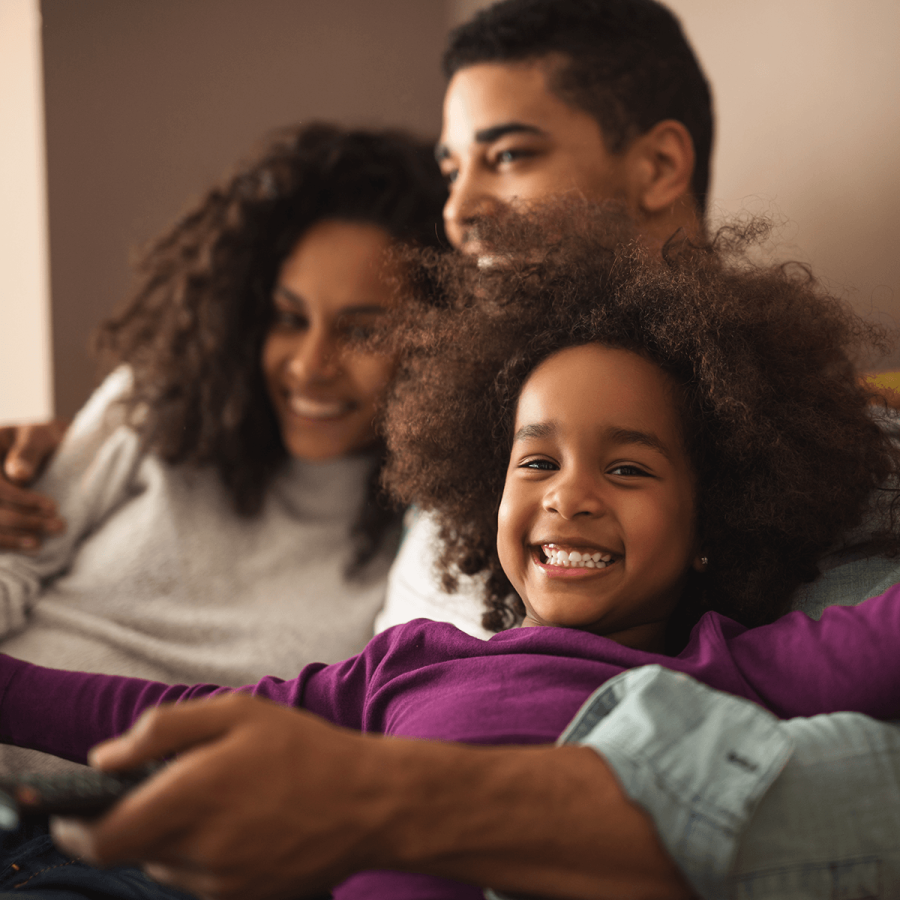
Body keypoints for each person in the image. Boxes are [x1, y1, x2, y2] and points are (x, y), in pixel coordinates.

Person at [4, 0, 900, 897]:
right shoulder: (423, 588)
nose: (459, 211)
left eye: (507, 155)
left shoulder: (756, 582)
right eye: (536, 461)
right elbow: (175, 710)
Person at [0, 122, 447, 780]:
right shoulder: (159, 409)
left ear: (439, 345)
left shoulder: (428, 545)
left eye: (362, 333)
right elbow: (10, 570)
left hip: (125, 860)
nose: (310, 365)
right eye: (288, 318)